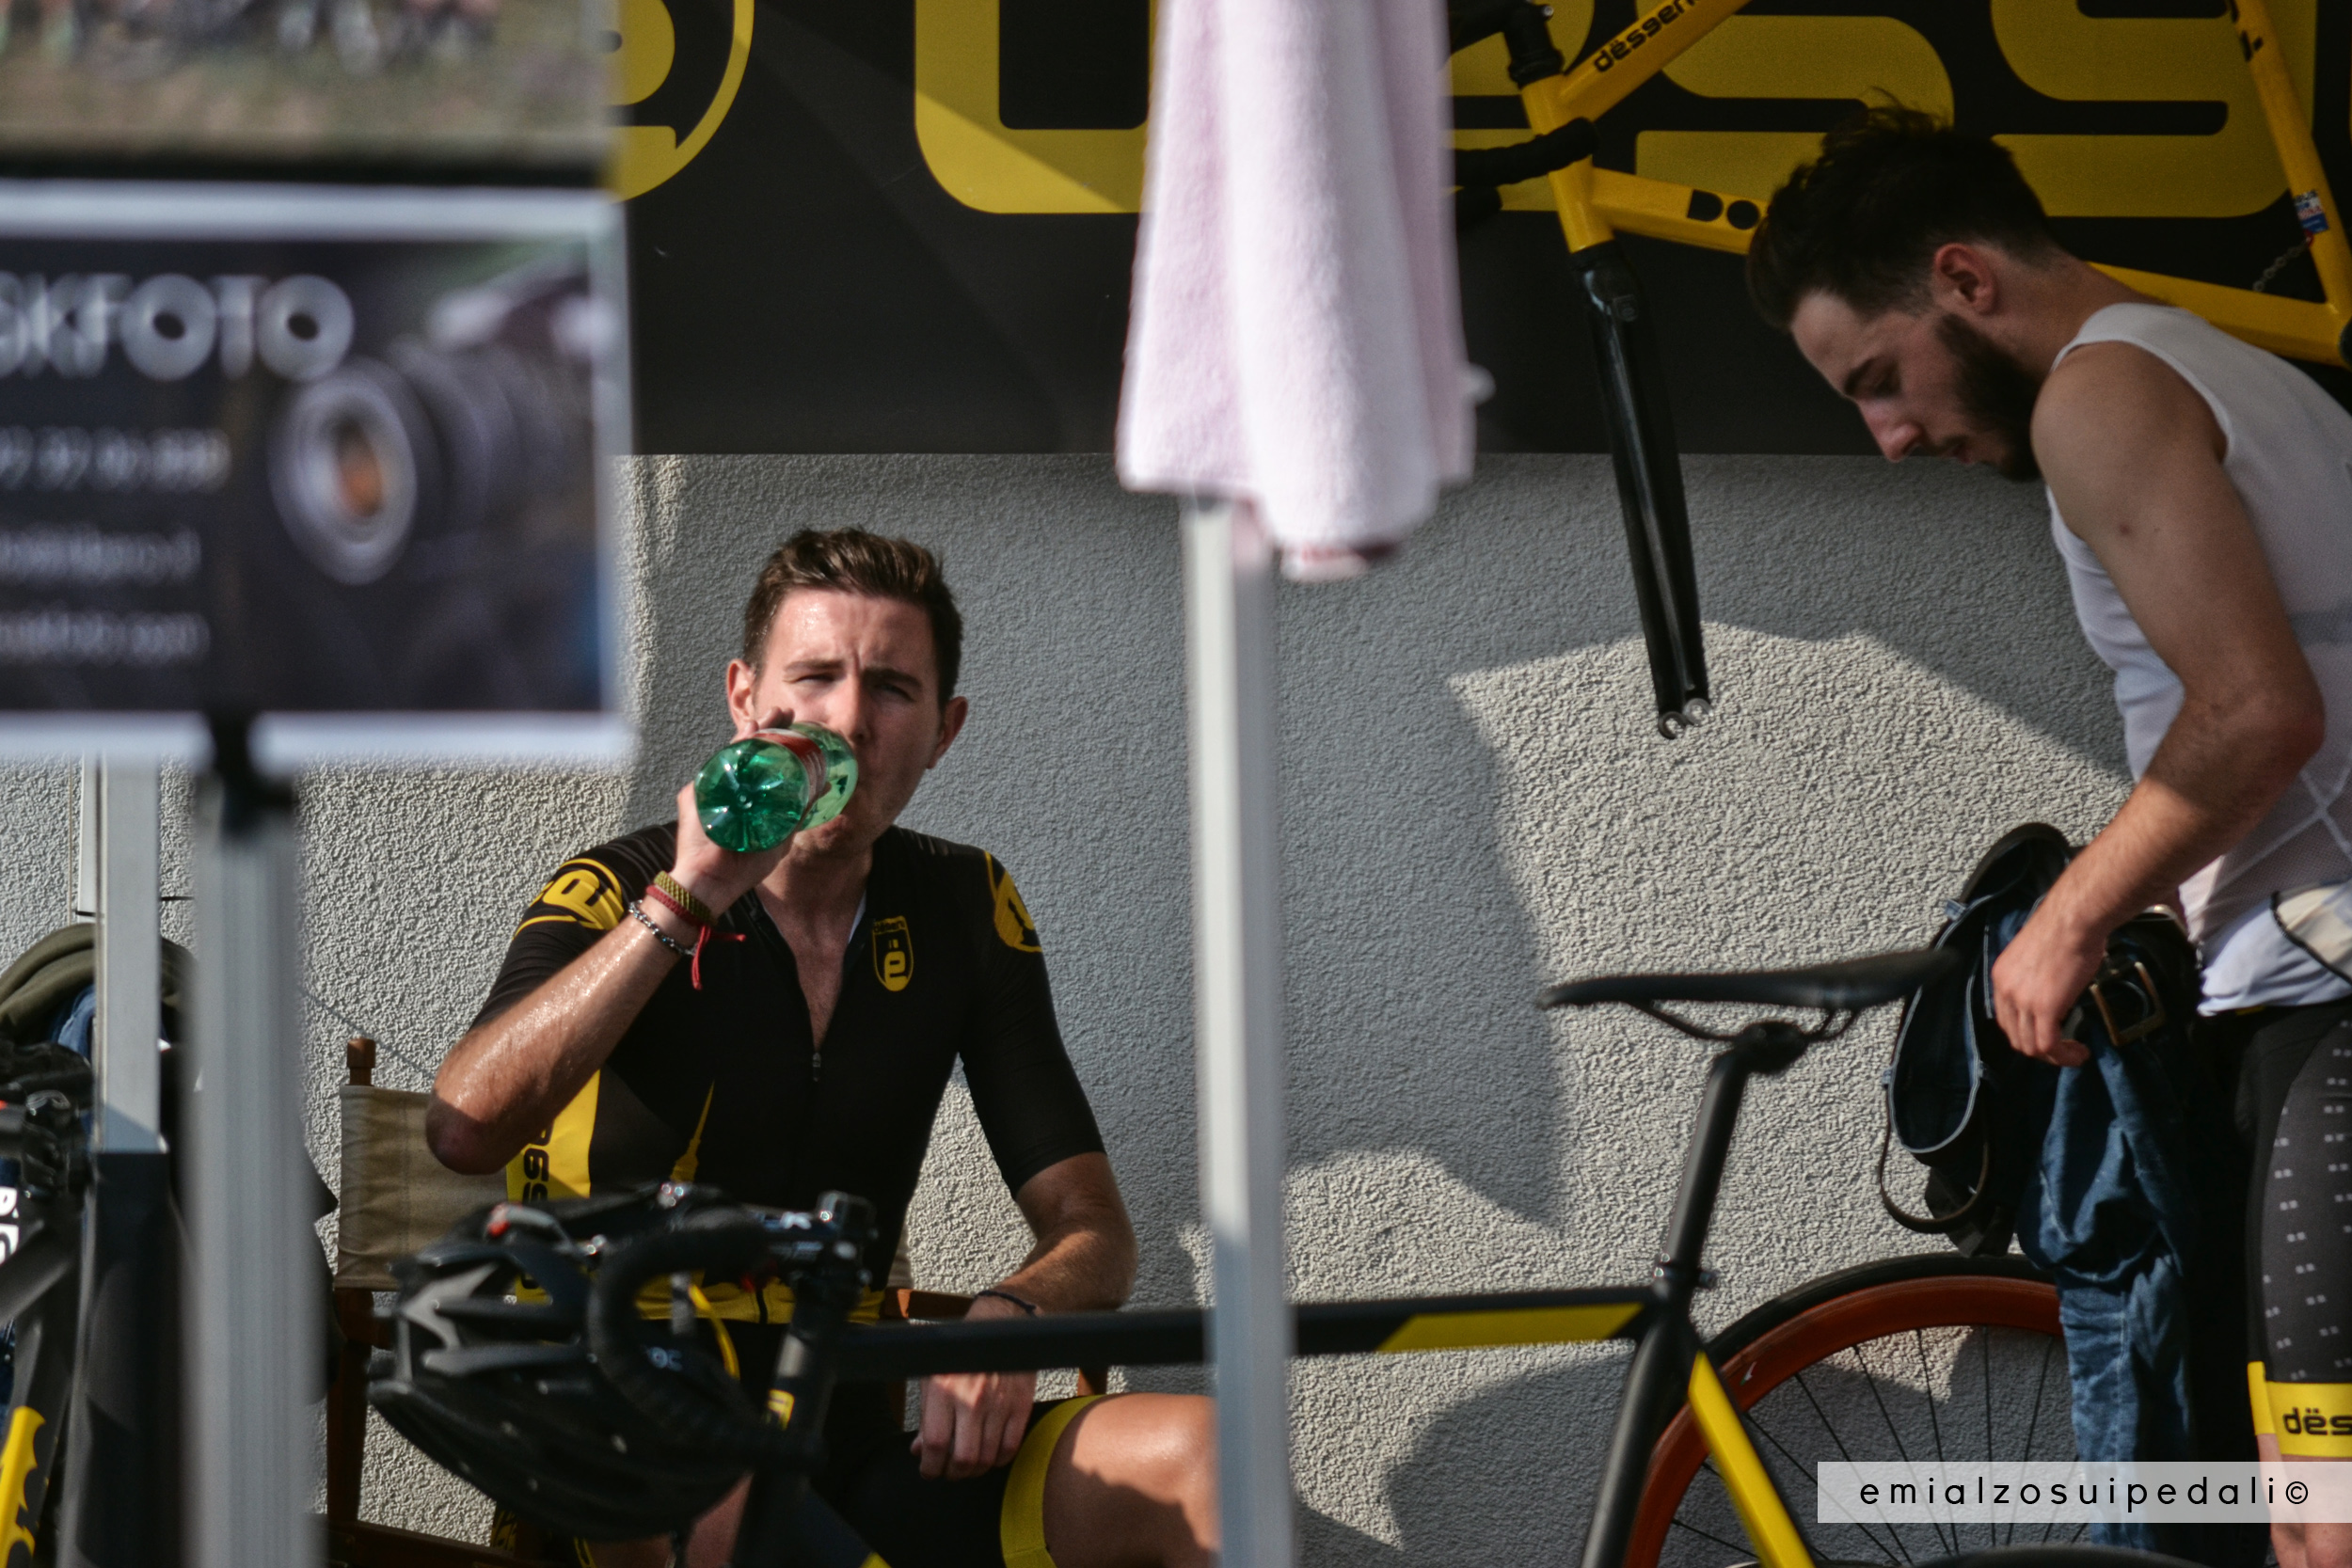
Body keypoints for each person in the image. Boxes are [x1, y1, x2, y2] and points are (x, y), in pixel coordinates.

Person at [1746, 107, 2351, 1568]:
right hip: (2310, 982)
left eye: (1878, 379)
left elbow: (2257, 711)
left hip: (2331, 989)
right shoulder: (2235, 374)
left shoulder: (2101, 392)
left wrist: (2069, 917)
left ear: (1965, 278)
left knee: (2321, 1517)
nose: (1889, 436)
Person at [427, 529, 1216, 1568]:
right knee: (739, 1502)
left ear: (943, 731)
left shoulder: (966, 905)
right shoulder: (621, 884)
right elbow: (465, 1126)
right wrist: (690, 896)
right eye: (815, 678)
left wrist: (1013, 1314)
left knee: (1206, 1456)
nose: (846, 721)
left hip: (843, 1430)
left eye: (891, 688)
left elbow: (1096, 1232)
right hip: (630, 1422)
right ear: (746, 699)